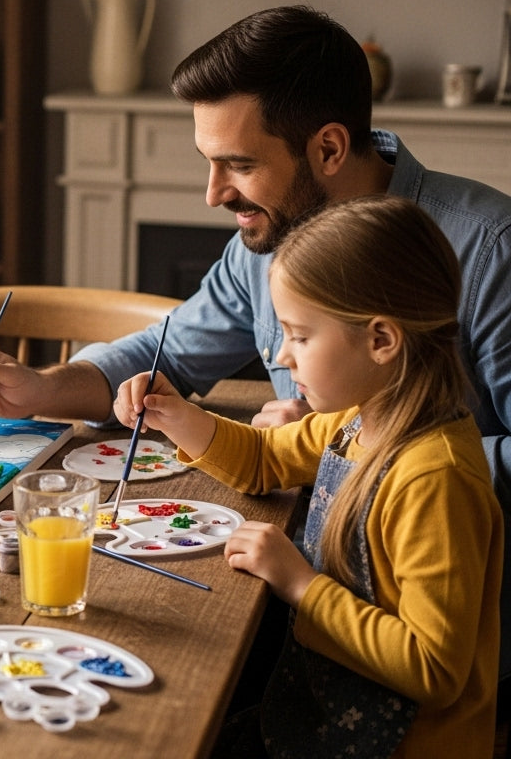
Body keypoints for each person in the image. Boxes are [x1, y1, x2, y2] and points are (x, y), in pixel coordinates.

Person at [0, 4, 511, 676]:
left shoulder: (490, 248)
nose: (214, 193)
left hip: (436, 641)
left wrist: (363, 445)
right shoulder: (268, 237)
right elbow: (168, 351)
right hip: (305, 604)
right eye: (208, 162)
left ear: (328, 149)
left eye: (238, 164)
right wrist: (41, 387)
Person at [117, 195, 501, 758]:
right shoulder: (356, 422)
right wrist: (179, 416)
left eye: (299, 335)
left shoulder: (434, 477)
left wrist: (298, 583)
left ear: (381, 340)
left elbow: (433, 667)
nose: (282, 354)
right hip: (326, 722)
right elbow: (262, 461)